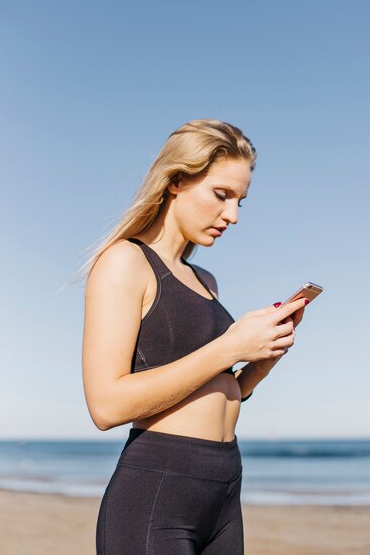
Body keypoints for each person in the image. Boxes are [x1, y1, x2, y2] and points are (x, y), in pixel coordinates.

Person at [81, 119, 308, 554]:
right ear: (176, 182)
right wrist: (231, 345)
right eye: (221, 195)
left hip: (223, 490)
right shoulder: (125, 262)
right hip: (158, 490)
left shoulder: (206, 279)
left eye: (240, 201)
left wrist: (258, 363)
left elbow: (209, 391)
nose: (233, 215)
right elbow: (106, 406)